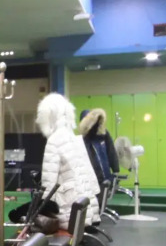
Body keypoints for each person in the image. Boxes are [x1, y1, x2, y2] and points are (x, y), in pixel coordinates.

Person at [35, 93, 100, 230]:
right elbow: (90, 177)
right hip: (85, 211)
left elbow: (48, 183)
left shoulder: (54, 141)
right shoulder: (75, 139)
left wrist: (43, 210)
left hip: (67, 212)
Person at [78, 108, 120, 186]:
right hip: (92, 179)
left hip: (106, 175)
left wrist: (115, 170)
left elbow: (111, 151)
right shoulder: (82, 140)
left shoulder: (103, 134)